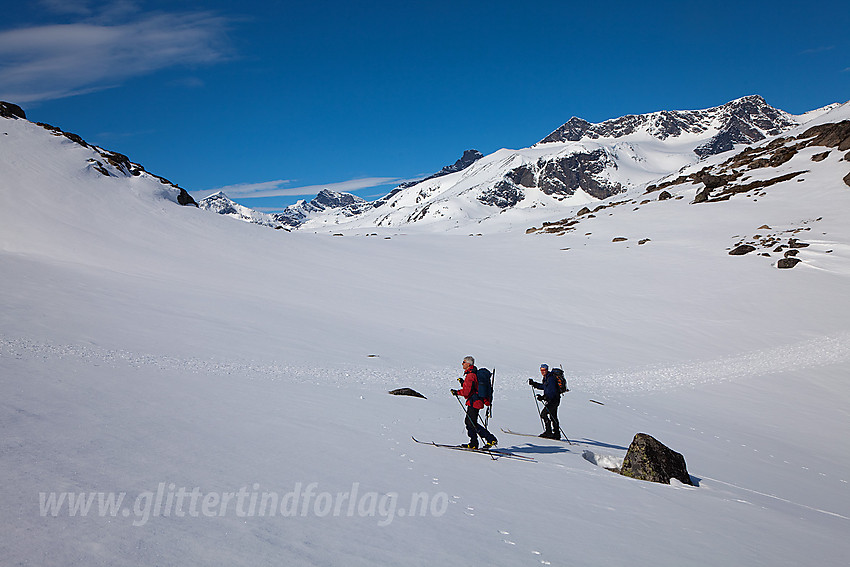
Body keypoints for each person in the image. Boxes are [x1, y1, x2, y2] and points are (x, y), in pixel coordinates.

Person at [451, 356, 498, 449]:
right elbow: (473, 387)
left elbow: (467, 392)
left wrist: (457, 392)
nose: (462, 364)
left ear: (468, 364)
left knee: (470, 422)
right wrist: (463, 383)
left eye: (463, 362)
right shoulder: (473, 373)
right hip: (476, 401)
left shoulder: (470, 375)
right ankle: (474, 443)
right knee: (470, 422)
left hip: (474, 402)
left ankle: (489, 439)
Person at [529, 364, 561, 439]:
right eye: (541, 370)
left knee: (544, 414)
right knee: (553, 416)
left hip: (553, 400)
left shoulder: (551, 378)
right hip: (554, 400)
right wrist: (534, 384)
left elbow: (552, 391)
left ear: (547, 370)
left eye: (544, 370)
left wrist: (544, 397)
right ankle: (556, 434)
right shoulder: (547, 378)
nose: (542, 372)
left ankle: (549, 432)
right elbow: (544, 387)